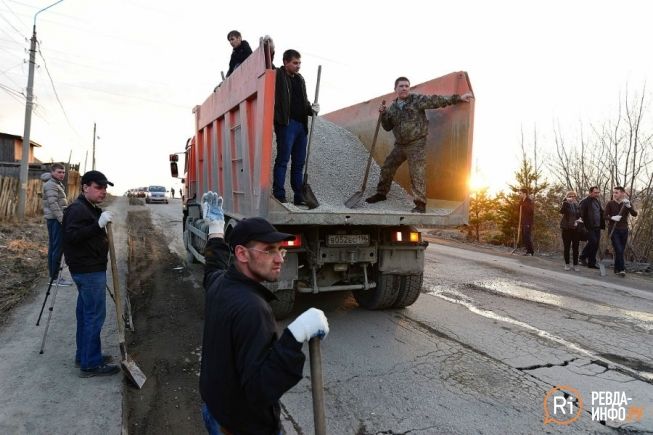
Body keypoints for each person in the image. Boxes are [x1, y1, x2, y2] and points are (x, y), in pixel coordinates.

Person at [199, 191, 329, 434]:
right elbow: (261, 388)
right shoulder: (252, 309)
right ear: (241, 254)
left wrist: (216, 229)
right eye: (269, 249)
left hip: (215, 411)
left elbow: (213, 266)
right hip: (243, 427)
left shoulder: (219, 283)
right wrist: (295, 335)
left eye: (281, 249)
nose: (279, 258)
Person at [365, 77, 473, 213]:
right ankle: (381, 194)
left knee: (417, 173)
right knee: (387, 167)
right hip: (400, 145)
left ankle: (420, 204)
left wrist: (458, 98)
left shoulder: (416, 100)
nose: (404, 88)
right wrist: (384, 114)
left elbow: (436, 101)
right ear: (395, 89)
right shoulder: (392, 108)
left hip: (416, 143)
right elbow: (387, 127)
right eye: (401, 86)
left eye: (406, 86)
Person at [62, 170, 119, 377]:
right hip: (88, 271)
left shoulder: (88, 207)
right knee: (94, 316)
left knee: (85, 315)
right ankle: (91, 364)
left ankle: (84, 355)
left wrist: (98, 222)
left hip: (88, 269)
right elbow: (72, 237)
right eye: (98, 187)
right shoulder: (77, 209)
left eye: (105, 188)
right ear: (85, 187)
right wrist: (98, 225)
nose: (103, 192)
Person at [272, 49, 319, 205]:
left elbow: (303, 101)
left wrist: (312, 109)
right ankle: (279, 194)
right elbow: (266, 61)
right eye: (295, 63)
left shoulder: (300, 79)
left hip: (301, 126)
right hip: (286, 124)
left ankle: (299, 196)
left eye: (299, 63)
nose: (298, 66)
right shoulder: (278, 75)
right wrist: (268, 46)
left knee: (299, 163)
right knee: (283, 159)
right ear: (285, 62)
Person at [41, 163, 73, 286]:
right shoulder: (51, 185)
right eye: (59, 172)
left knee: (54, 248)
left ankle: (53, 277)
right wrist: (62, 220)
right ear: (53, 172)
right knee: (57, 248)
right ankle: (54, 278)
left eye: (63, 172)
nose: (62, 174)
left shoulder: (55, 183)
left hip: (54, 219)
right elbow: (53, 204)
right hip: (55, 220)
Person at [605, 186, 638, 277]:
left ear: (622, 193)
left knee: (620, 250)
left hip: (624, 230)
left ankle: (616, 268)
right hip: (613, 229)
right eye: (614, 192)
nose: (614, 194)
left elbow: (634, 214)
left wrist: (629, 206)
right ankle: (622, 269)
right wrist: (612, 217)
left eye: (616, 192)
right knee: (619, 249)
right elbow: (604, 216)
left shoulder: (626, 203)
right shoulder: (610, 203)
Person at [579, 186, 605, 269]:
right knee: (593, 242)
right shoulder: (584, 202)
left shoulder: (597, 201)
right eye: (595, 192)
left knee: (596, 244)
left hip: (597, 226)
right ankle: (582, 257)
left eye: (598, 192)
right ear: (590, 192)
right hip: (589, 226)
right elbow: (581, 215)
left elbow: (600, 212)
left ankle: (591, 263)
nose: (597, 194)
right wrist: (583, 226)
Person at [559, 190, 582, 271]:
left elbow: (580, 215)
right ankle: (567, 264)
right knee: (567, 247)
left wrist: (578, 220)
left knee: (575, 247)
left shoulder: (577, 205)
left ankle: (575, 264)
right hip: (566, 229)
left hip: (575, 229)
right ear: (567, 197)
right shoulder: (565, 204)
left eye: (573, 196)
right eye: (570, 196)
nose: (572, 198)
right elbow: (561, 211)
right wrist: (566, 202)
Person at [518, 188, 535, 256]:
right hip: (523, 221)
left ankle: (530, 252)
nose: (519, 195)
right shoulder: (522, 200)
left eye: (520, 193)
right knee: (524, 236)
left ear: (524, 193)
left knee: (527, 236)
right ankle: (528, 251)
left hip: (528, 221)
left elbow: (530, 211)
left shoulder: (529, 201)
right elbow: (518, 209)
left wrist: (523, 205)